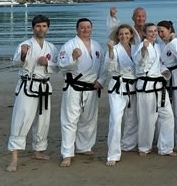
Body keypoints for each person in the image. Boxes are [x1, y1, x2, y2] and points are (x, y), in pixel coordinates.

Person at [6, 15, 58, 172]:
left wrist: (47, 63)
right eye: (38, 26)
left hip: (44, 86)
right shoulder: (25, 44)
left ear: (48, 28)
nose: (41, 29)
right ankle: (14, 158)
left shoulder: (51, 47)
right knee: (21, 119)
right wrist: (23, 54)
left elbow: (57, 67)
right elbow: (16, 62)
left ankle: (38, 151)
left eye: (44, 26)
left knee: (43, 120)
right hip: (27, 85)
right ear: (32, 28)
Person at [58, 18, 106, 167]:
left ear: (91, 28)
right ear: (77, 29)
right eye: (82, 27)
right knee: (70, 120)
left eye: (88, 27)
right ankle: (67, 153)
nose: (85, 30)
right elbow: (61, 65)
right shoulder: (69, 45)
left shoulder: (97, 46)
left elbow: (103, 66)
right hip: (74, 86)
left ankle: (84, 147)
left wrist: (101, 81)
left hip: (92, 87)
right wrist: (73, 58)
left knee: (89, 119)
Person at [134, 23, 176, 157]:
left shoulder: (157, 46)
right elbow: (139, 62)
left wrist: (165, 71)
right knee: (147, 119)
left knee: (167, 116)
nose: (154, 33)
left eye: (155, 31)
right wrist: (143, 50)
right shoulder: (141, 46)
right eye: (150, 31)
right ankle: (144, 147)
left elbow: (160, 64)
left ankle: (165, 148)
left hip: (159, 86)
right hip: (146, 87)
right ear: (144, 33)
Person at [104, 24, 139, 166]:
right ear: (117, 36)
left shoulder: (136, 48)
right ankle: (113, 154)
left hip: (133, 86)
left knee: (132, 118)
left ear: (131, 35)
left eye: (126, 33)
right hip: (118, 87)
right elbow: (109, 67)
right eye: (121, 34)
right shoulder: (114, 48)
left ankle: (128, 144)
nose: (124, 36)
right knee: (115, 119)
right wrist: (110, 50)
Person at [157, 20, 177, 151]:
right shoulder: (158, 44)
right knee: (165, 111)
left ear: (170, 30)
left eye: (162, 31)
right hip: (163, 77)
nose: (160, 34)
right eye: (158, 32)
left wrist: (172, 43)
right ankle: (165, 138)